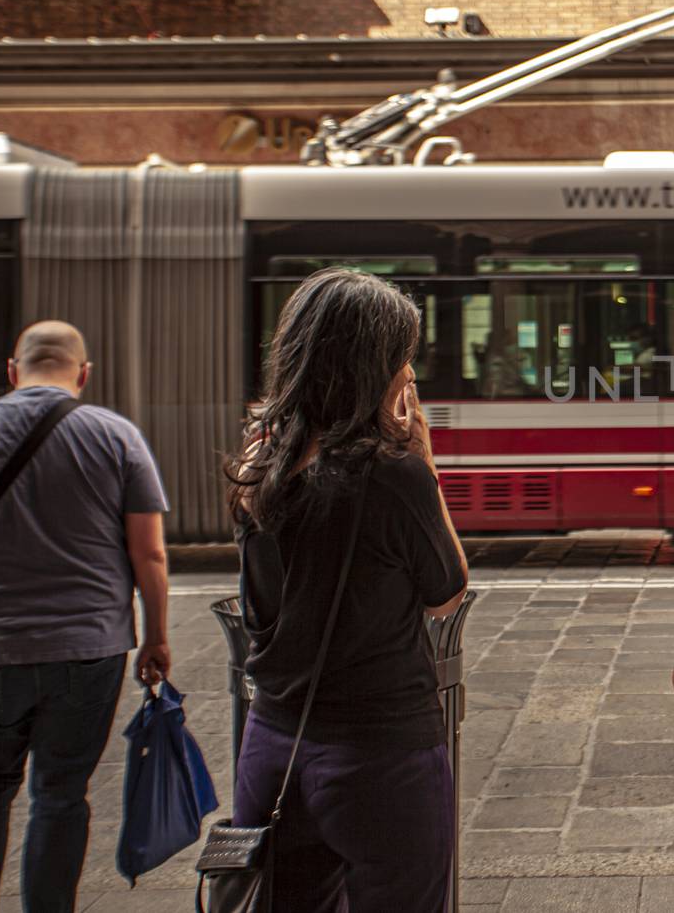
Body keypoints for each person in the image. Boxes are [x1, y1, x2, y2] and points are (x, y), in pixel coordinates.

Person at [226, 268, 469, 911]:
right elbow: (446, 590)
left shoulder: (259, 466)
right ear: (373, 367)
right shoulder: (391, 474)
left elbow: (262, 609)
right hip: (380, 755)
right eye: (403, 359)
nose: (407, 375)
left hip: (271, 747)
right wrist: (423, 462)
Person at [0, 321, 171, 912]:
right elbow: (150, 552)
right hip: (88, 650)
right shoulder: (116, 436)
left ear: (13, 370)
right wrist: (156, 638)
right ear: (84, 374)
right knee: (60, 796)